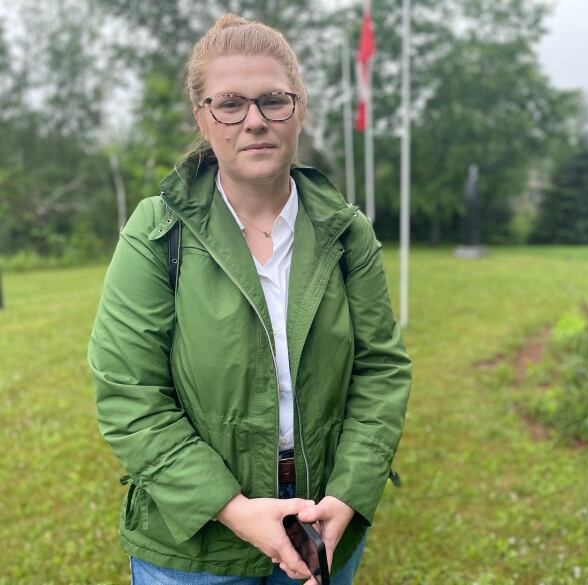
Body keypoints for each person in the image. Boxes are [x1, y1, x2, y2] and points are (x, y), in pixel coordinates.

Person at [88, 13, 411, 585]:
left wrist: (348, 495)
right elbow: (128, 392)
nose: (254, 120)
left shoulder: (347, 233)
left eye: (272, 101)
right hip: (195, 548)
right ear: (203, 118)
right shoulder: (158, 232)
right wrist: (234, 510)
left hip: (320, 528)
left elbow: (381, 370)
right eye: (230, 104)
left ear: (299, 109)